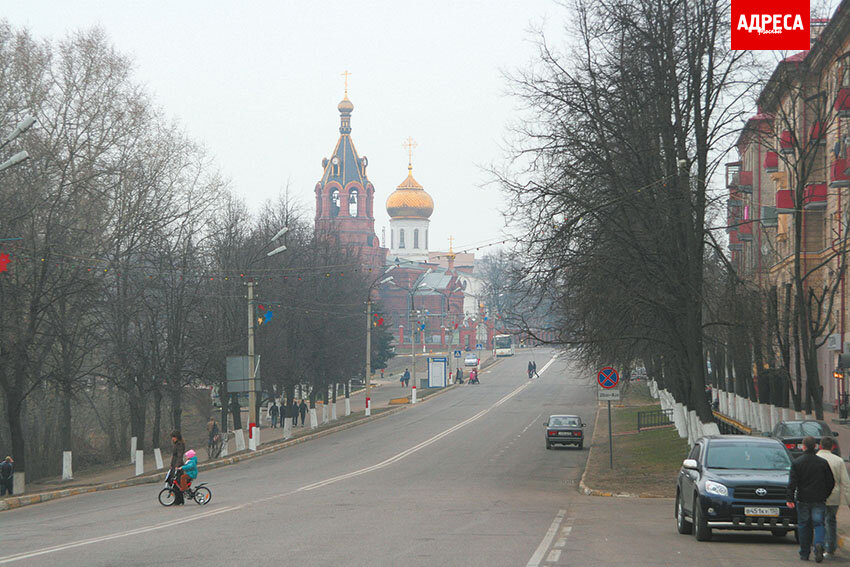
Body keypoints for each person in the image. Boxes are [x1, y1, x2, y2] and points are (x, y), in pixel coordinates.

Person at [787, 435, 835, 562]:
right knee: (819, 523)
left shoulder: (797, 463)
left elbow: (792, 483)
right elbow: (831, 482)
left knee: (804, 525)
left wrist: (790, 498)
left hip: (803, 499)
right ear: (815, 447)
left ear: (803, 447)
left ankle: (804, 552)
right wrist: (825, 495)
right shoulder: (822, 463)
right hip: (819, 499)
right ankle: (819, 543)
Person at [816, 436, 850, 559]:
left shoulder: (816, 458)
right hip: (834, 496)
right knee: (831, 520)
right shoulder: (839, 461)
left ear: (820, 446)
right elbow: (846, 482)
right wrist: (848, 500)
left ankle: (819, 544)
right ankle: (830, 547)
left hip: (817, 495)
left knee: (818, 521)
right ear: (832, 447)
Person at [170, 430, 186, 505]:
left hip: (178, 466)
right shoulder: (176, 444)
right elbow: (174, 456)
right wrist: (171, 464)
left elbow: (179, 456)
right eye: (172, 437)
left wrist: (177, 466)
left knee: (177, 483)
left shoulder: (180, 444)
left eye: (174, 437)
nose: (173, 439)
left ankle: (179, 500)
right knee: (174, 482)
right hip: (174, 465)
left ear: (177, 437)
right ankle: (179, 500)